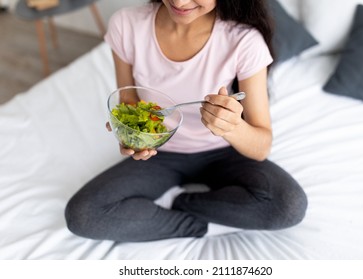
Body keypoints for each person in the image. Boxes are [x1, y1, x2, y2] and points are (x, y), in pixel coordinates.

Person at [65, 0, 308, 242]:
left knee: (289, 206)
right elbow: (128, 98)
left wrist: (232, 126)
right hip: (161, 154)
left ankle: (180, 203)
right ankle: (201, 225)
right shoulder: (127, 25)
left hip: (226, 153)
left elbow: (261, 147)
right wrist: (131, 133)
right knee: (83, 215)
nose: (180, 2)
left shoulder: (244, 41)